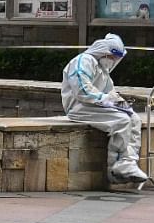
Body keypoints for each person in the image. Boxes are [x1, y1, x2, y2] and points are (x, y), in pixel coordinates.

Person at [62, 33, 148, 184]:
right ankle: (116, 166)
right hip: (78, 107)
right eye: (111, 57)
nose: (113, 61)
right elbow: (82, 90)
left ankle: (128, 162)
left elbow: (110, 92)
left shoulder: (103, 70)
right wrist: (106, 99)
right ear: (103, 52)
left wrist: (120, 102)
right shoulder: (83, 61)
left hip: (94, 105)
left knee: (134, 119)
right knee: (121, 120)